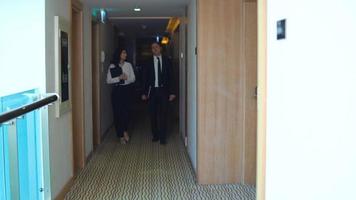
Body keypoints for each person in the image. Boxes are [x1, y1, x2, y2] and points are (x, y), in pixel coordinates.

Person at [141, 42, 176, 145]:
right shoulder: (147, 62)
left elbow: (171, 77)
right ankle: (155, 135)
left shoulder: (167, 61)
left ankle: (163, 137)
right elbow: (144, 78)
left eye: (156, 47)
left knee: (164, 114)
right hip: (152, 91)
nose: (154, 49)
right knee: (153, 114)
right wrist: (144, 92)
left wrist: (172, 92)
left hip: (163, 91)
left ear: (160, 48)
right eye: (152, 48)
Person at [107, 49, 135, 144]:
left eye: (126, 53)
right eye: (123, 53)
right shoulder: (113, 66)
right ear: (119, 54)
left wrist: (127, 78)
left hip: (127, 90)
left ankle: (125, 130)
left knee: (127, 112)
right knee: (118, 113)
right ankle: (121, 135)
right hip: (117, 91)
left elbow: (133, 78)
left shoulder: (128, 65)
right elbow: (108, 80)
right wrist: (119, 78)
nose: (125, 54)